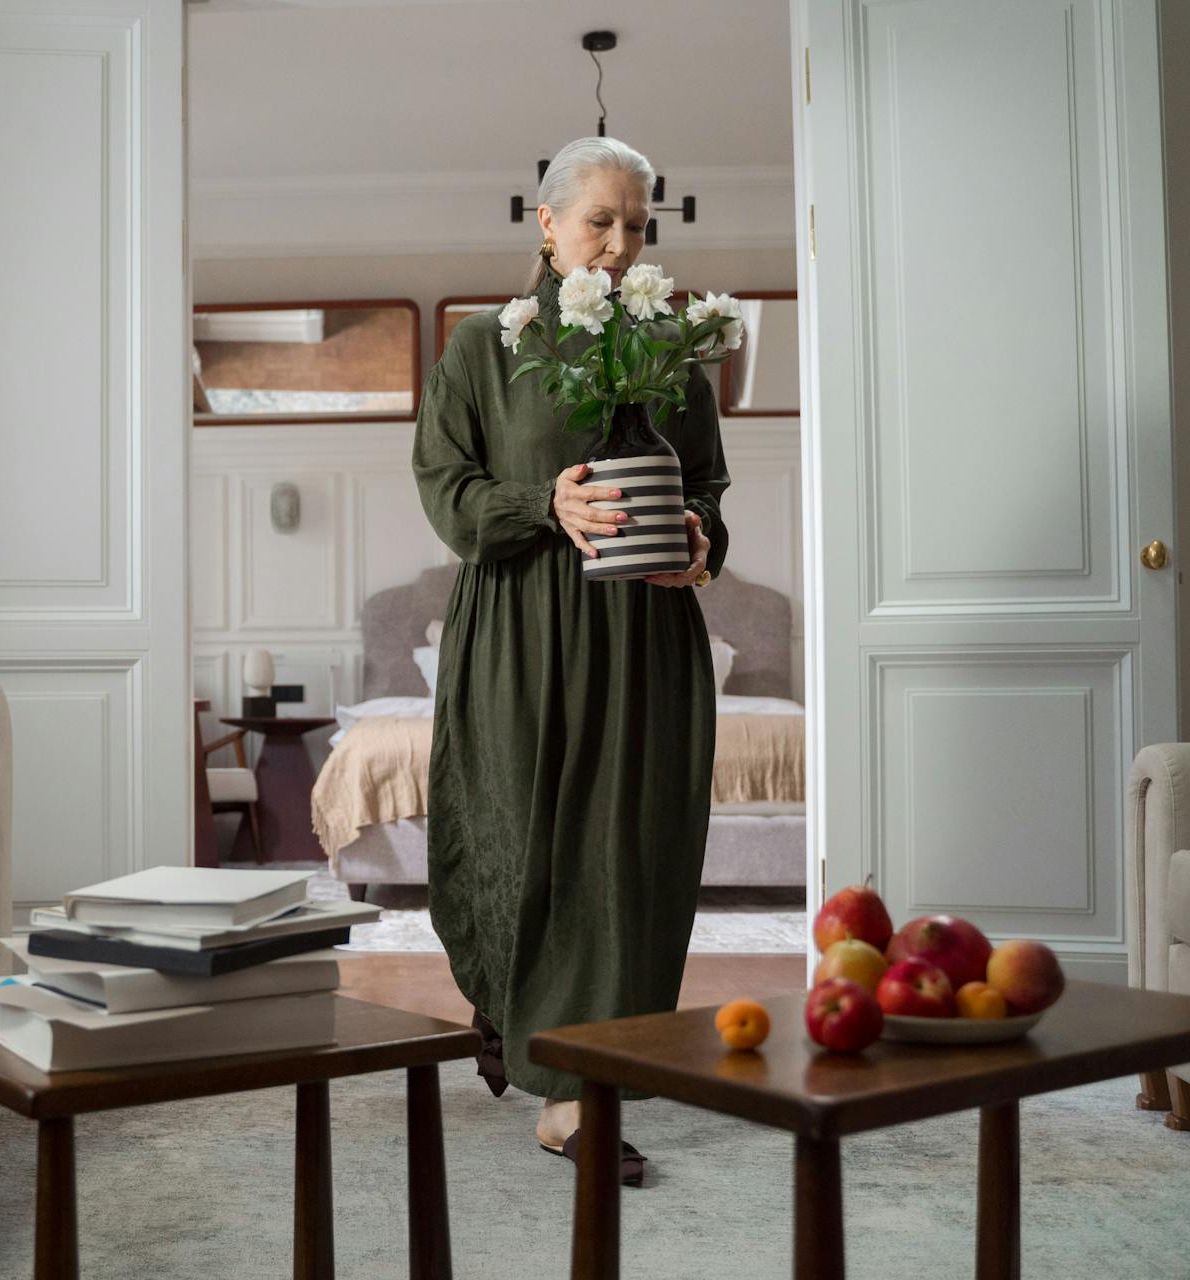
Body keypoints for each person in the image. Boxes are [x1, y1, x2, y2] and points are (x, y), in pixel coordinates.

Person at [410, 135, 731, 1187]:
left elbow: (710, 494)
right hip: (519, 629)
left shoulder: (673, 345)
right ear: (545, 225)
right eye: (600, 220)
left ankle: (576, 1088)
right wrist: (541, 501)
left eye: (637, 223)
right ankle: (513, 1011)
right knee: (518, 835)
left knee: (624, 854)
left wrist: (697, 544)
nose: (621, 242)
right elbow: (446, 490)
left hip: (645, 635)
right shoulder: (479, 348)